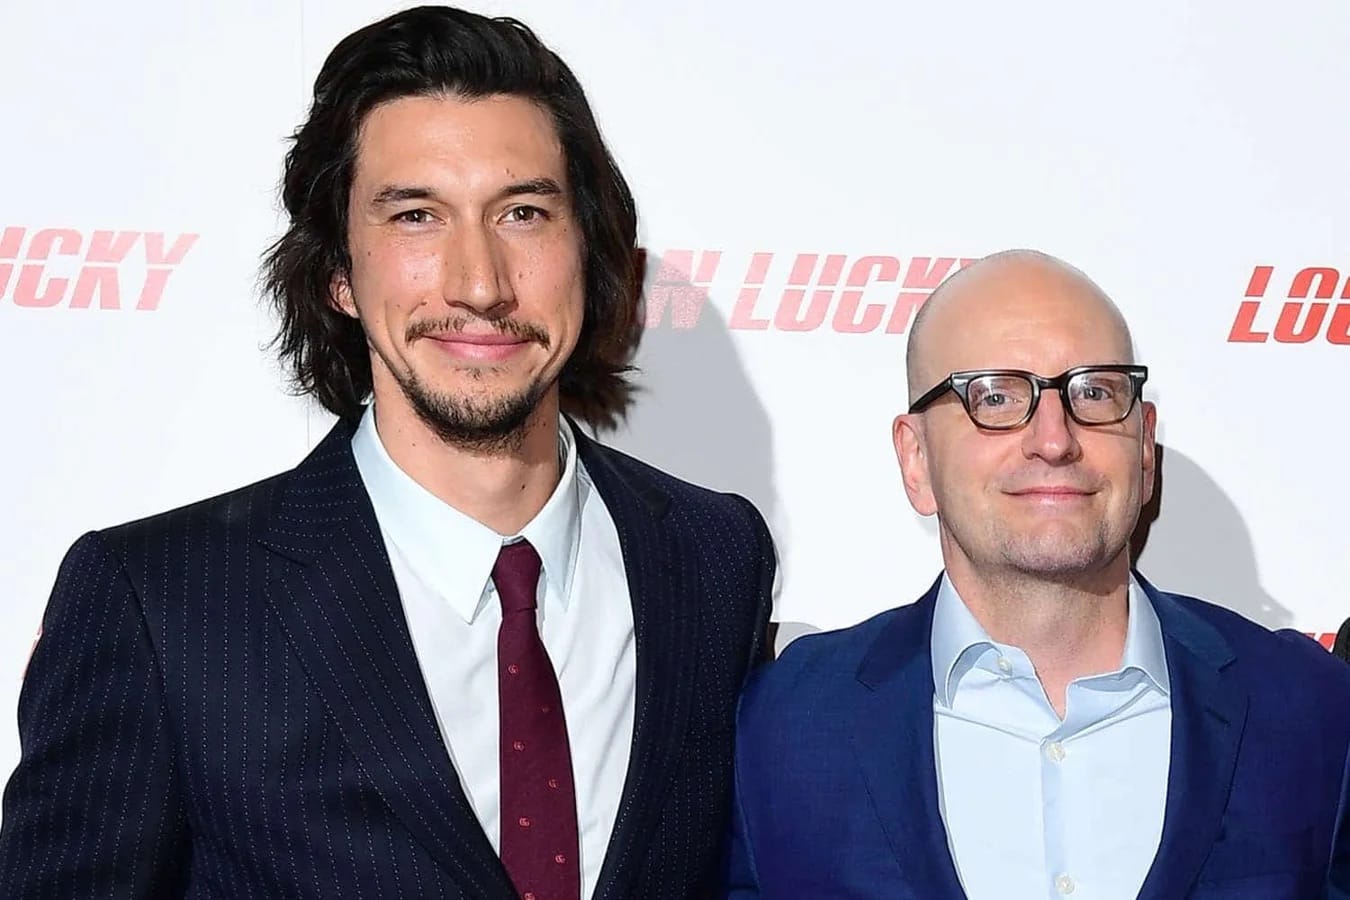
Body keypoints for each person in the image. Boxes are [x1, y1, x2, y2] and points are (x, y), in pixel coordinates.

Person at [0, 8, 775, 899]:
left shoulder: (716, 557)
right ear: (338, 272)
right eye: (416, 216)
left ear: (589, 254)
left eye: (523, 212)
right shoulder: (161, 601)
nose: (478, 283)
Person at [725, 250, 1350, 899]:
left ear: (1144, 447)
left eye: (1094, 392)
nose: (1053, 439)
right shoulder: (784, 722)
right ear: (916, 458)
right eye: (994, 395)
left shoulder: (1311, 708)